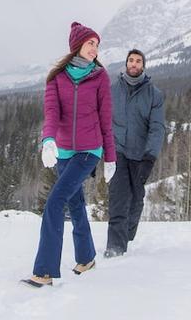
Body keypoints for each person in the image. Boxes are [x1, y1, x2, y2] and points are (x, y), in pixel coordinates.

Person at [22, 21, 117, 288]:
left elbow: (105, 120)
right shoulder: (57, 78)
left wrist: (110, 157)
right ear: (78, 45)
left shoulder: (100, 77)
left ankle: (44, 272)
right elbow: (52, 113)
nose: (95, 49)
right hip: (63, 151)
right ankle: (86, 258)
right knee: (75, 204)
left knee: (54, 203)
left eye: (97, 44)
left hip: (89, 151)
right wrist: (48, 140)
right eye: (91, 43)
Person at [105, 48, 165, 257]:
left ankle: (127, 235)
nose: (134, 64)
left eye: (138, 61)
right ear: (126, 64)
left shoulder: (154, 94)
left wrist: (150, 157)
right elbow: (102, 121)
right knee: (118, 197)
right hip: (118, 151)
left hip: (140, 155)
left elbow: (157, 127)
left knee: (136, 199)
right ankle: (115, 245)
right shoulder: (112, 91)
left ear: (143, 66)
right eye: (131, 60)